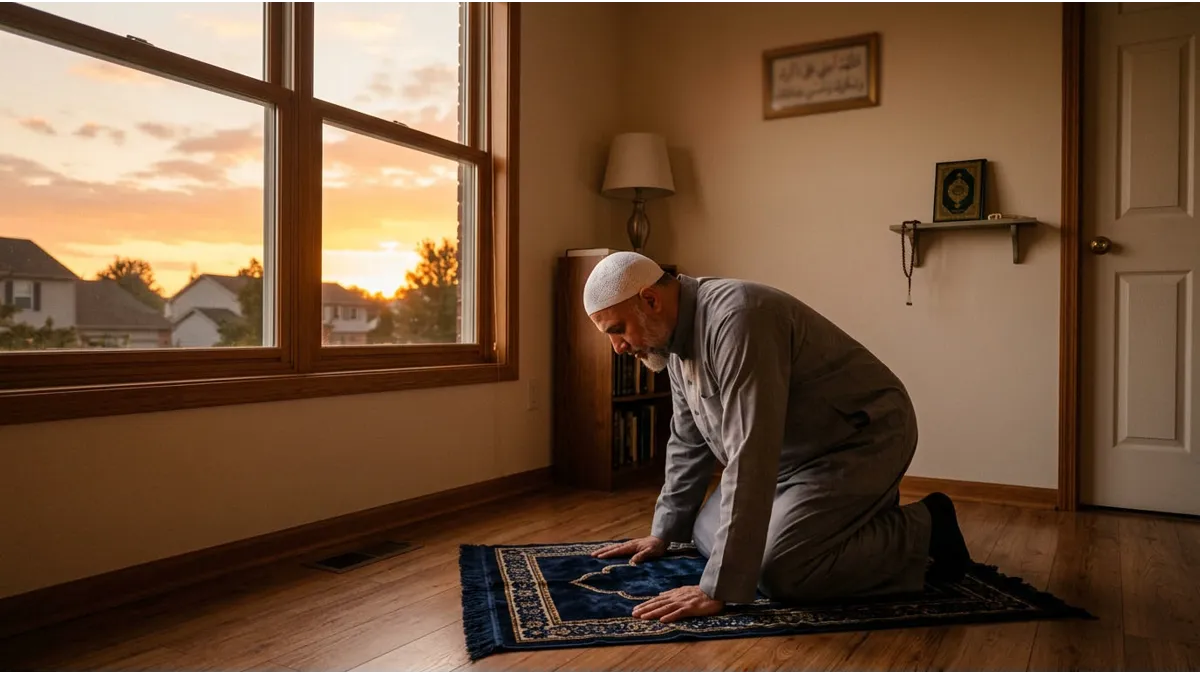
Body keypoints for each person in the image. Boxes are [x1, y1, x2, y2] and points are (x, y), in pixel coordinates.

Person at [582, 251, 970, 624]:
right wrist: (663, 532)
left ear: (650, 299)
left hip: (857, 440)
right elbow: (687, 439)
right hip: (791, 458)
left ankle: (928, 527)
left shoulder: (738, 319)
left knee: (779, 571)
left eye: (617, 330)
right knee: (704, 534)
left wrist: (718, 587)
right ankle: (849, 519)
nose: (617, 347)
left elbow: (752, 453)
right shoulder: (671, 338)